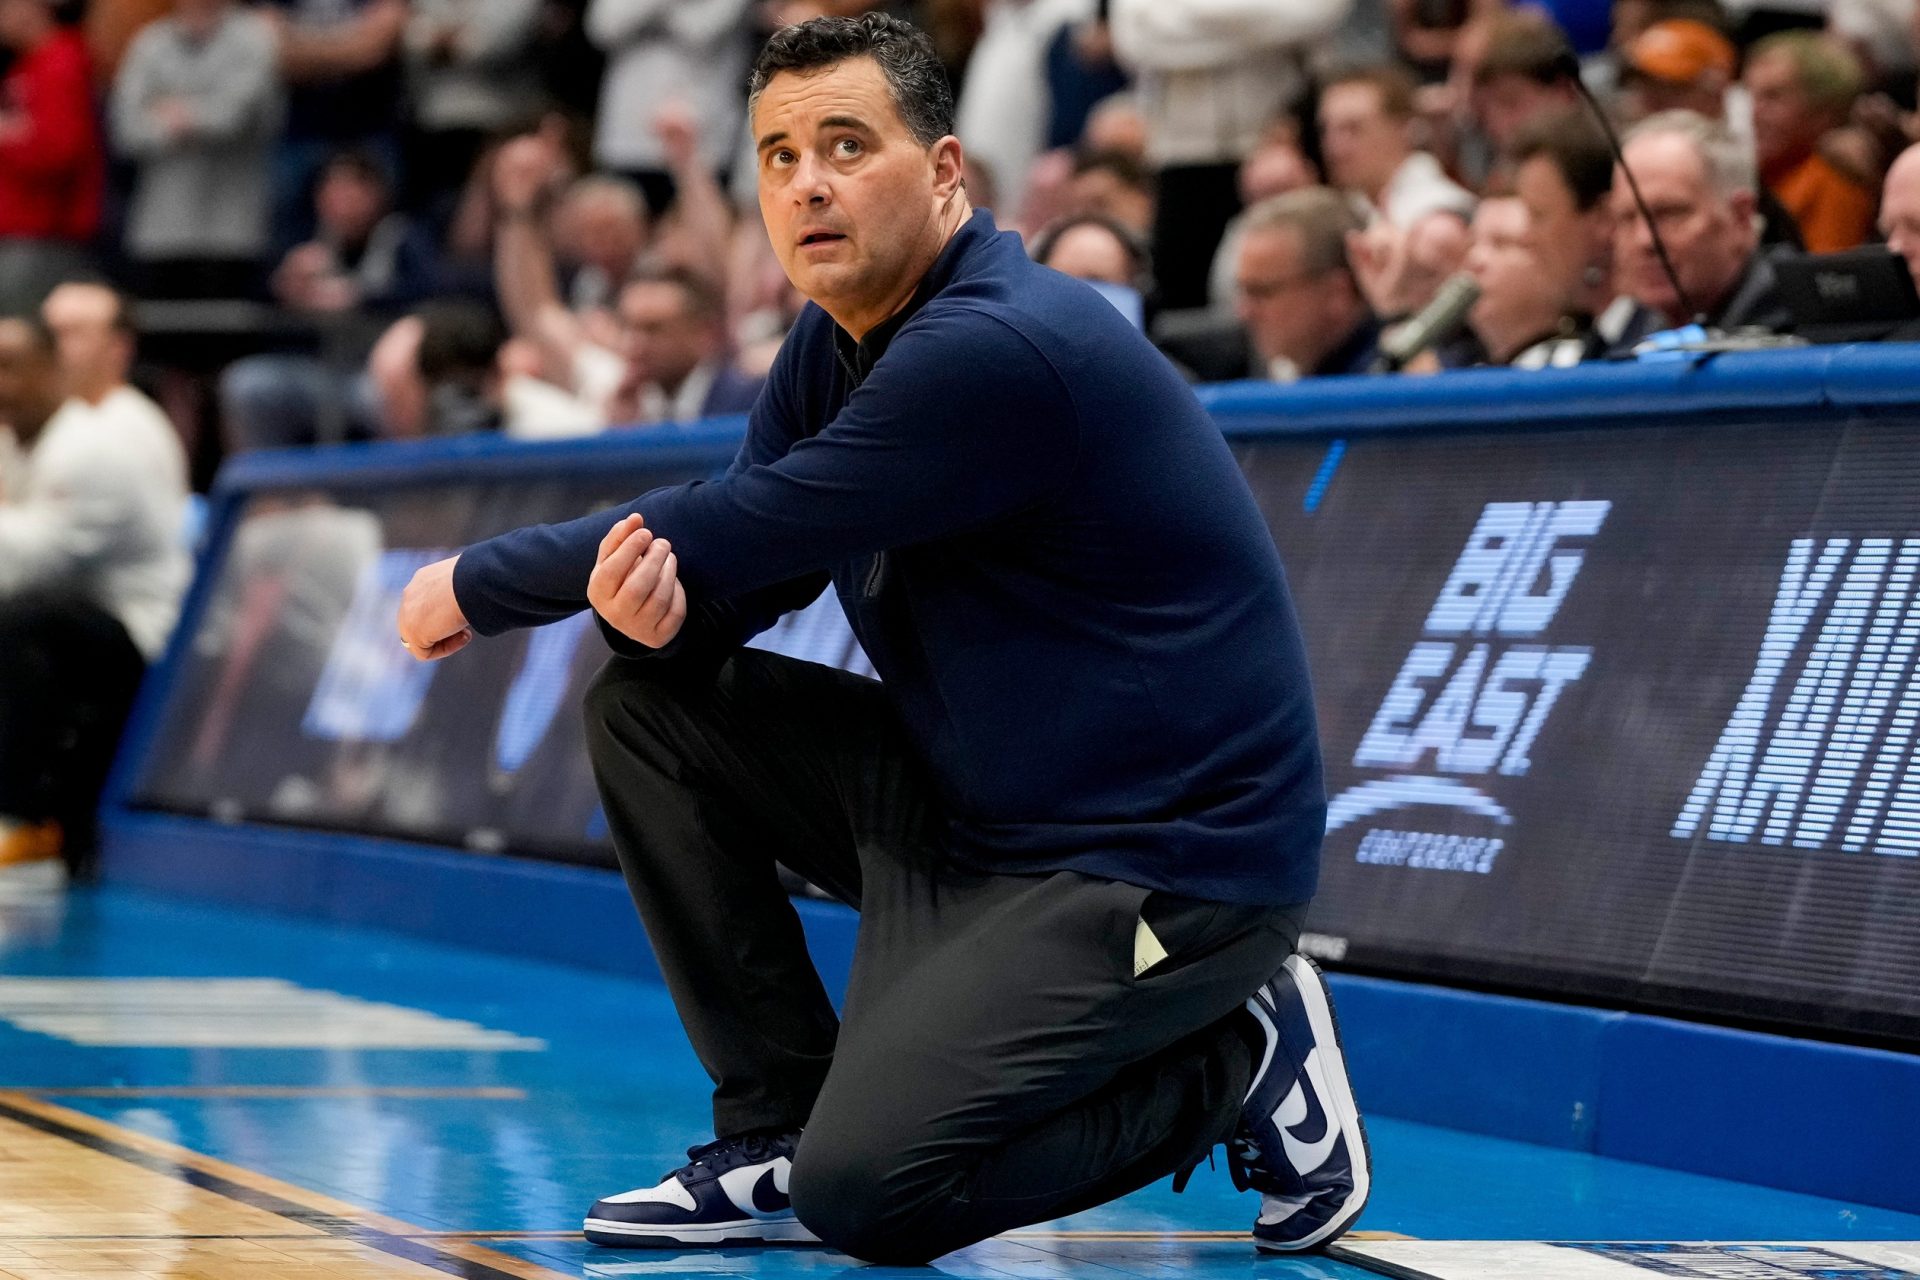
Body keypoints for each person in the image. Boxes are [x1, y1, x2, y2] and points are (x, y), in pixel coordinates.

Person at [397, 12, 1367, 1262]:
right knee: (651, 708)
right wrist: (656, 619)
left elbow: (738, 519)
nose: (808, 182)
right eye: (780, 155)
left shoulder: (997, 347)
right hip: (984, 819)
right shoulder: (834, 339)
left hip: (1162, 865)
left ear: (947, 171)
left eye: (847, 145)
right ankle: (770, 1129)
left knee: (877, 1191)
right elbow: (735, 577)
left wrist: (473, 583)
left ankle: (1234, 1055)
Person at [0, 308, 190, 877]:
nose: (0, 386)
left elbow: (27, 565)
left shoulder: (90, 450)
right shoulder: (18, 446)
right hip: (79, 631)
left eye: (11, 368)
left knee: (18, 622)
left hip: (142, 639)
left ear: (53, 371)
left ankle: (26, 817)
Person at [1111, 0, 1352, 308]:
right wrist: (1256, 28)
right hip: (1183, 158)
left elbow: (1313, 14)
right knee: (1179, 306)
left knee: (1294, 288)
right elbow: (1137, 38)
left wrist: (1189, 15)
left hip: (1280, 146)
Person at [110, 0, 284, 299]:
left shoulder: (254, 38)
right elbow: (127, 128)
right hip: (161, 231)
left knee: (227, 335)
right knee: (162, 335)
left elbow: (237, 116)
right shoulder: (151, 42)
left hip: (233, 232)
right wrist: (202, 112)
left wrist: (171, 112)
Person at [1607, 110, 1792, 351]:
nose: (1645, 240)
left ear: (1740, 217)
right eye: (1627, 218)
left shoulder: (1802, 324)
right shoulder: (1633, 327)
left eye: (1670, 213)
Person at [0, 0, 104, 315]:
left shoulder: (61, 62)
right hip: (18, 231)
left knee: (22, 337)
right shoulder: (26, 66)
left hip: (44, 235)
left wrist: (7, 138)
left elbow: (60, 150)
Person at [1744, 30, 1876, 253]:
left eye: (1774, 96)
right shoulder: (1760, 171)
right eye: (1753, 96)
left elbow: (1826, 278)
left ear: (1823, 110)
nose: (1755, 113)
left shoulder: (1837, 181)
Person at [1233, 187, 1381, 380]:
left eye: (1262, 292)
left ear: (1337, 293)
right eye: (1243, 291)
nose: (1245, 312)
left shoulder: (1395, 385)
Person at [1320, 64, 1475, 230]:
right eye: (1327, 129)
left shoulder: (1444, 211)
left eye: (1354, 129)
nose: (1334, 147)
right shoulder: (1345, 211)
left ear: (1403, 129)